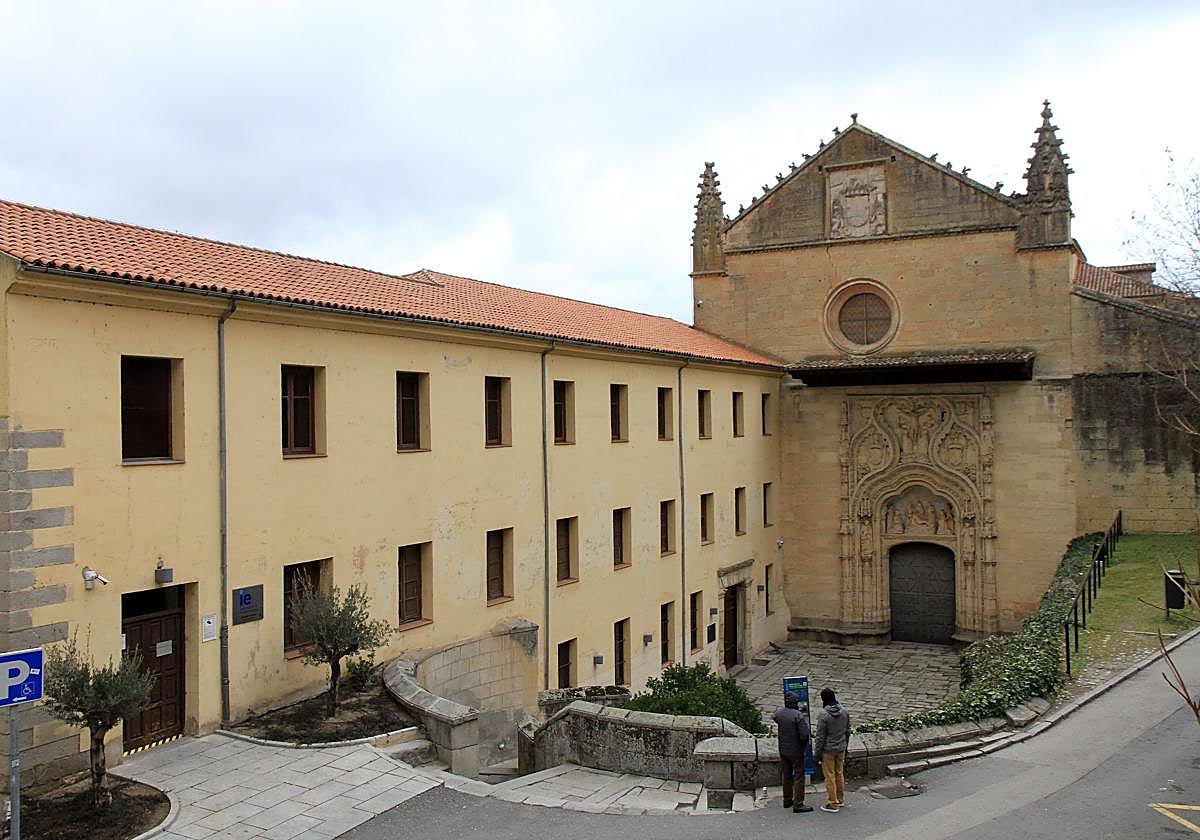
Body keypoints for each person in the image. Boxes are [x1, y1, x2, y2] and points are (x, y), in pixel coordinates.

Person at [772, 690, 813, 813]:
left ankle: (787, 799)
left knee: (787, 775)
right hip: (796, 750)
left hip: (783, 749)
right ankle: (798, 803)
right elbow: (805, 735)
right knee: (799, 776)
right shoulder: (798, 716)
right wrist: (803, 746)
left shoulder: (779, 713)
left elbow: (774, 717)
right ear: (795, 703)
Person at [813, 686, 851, 812]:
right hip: (841, 748)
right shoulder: (844, 712)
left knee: (829, 776)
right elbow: (847, 731)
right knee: (839, 773)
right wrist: (846, 746)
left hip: (828, 750)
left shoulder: (824, 715)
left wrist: (817, 754)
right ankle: (840, 800)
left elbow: (820, 737)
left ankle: (832, 802)